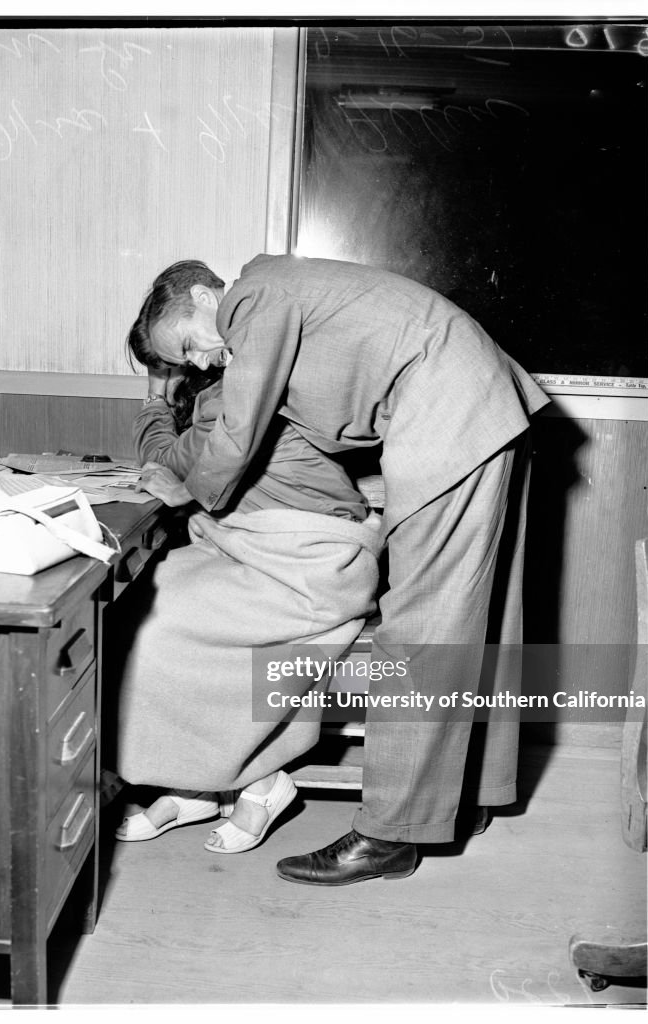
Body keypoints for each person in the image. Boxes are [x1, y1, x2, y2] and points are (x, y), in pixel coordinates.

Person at [127, 254, 550, 884]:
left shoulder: (252, 299)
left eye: (189, 343)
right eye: (187, 361)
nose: (199, 362)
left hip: (447, 411)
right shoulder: (291, 300)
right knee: (477, 617)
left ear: (201, 294)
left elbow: (237, 438)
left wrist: (190, 491)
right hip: (478, 404)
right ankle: (472, 793)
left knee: (423, 626)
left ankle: (390, 835)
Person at [114, 359, 383, 854]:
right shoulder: (230, 396)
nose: (195, 359)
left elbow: (165, 459)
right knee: (141, 606)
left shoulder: (234, 401)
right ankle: (194, 784)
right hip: (259, 549)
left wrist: (154, 398)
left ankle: (261, 783)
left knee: (160, 626)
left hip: (314, 564)